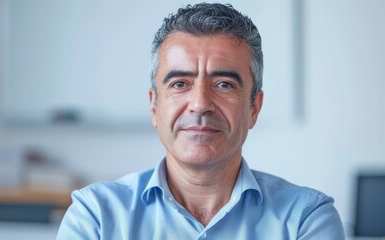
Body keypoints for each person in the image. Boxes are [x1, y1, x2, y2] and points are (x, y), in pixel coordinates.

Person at [57, 3, 345, 239]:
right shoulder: (95, 216)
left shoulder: (306, 219)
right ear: (154, 106)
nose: (200, 104)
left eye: (224, 85)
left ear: (254, 108)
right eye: (180, 83)